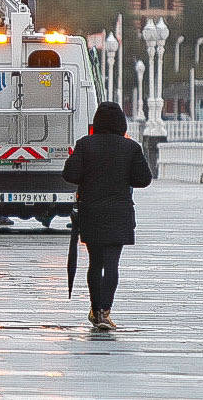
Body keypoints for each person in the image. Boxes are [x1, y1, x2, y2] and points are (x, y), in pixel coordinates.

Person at [62, 102, 152, 330]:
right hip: (119, 212)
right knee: (112, 263)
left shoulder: (85, 144)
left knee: (95, 262)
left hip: (91, 212)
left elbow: (70, 174)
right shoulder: (131, 148)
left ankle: (95, 309)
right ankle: (104, 311)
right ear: (122, 123)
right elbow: (143, 179)